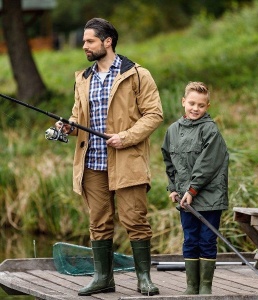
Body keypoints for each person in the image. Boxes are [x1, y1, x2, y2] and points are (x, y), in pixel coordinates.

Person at [55, 18, 163, 296]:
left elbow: (154, 115)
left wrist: (125, 137)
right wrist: (67, 126)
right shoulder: (83, 78)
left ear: (107, 42)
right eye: (83, 42)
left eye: (89, 41)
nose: (84, 46)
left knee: (135, 220)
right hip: (91, 163)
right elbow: (78, 118)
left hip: (127, 161)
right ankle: (104, 278)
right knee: (98, 222)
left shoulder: (137, 74)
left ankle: (144, 280)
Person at [161, 82, 229, 295]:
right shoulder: (172, 130)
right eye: (191, 103)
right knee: (190, 240)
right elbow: (169, 162)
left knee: (207, 241)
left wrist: (192, 190)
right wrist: (173, 188)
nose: (195, 108)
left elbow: (207, 165)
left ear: (207, 106)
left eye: (201, 105)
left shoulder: (210, 130)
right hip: (185, 200)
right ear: (183, 102)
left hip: (209, 198)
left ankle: (205, 288)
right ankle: (192, 287)